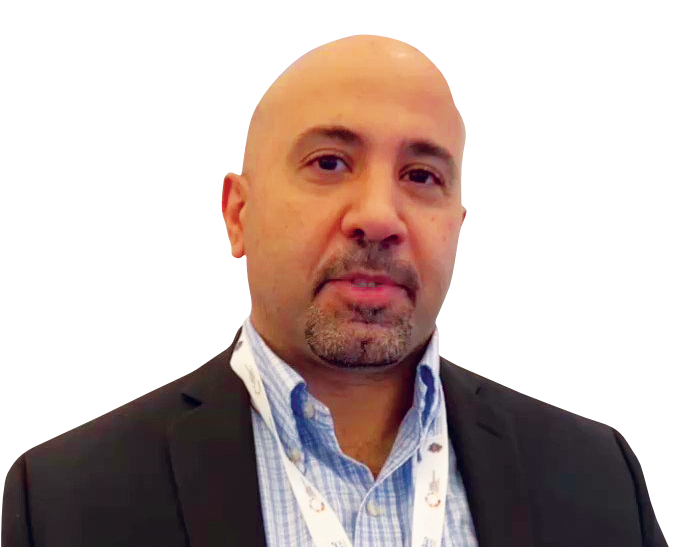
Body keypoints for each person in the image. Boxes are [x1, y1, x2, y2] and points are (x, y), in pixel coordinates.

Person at [1, 34, 667, 547]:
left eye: (422, 176)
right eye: (329, 162)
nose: (378, 216)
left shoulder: (598, 477)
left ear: (458, 225)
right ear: (238, 214)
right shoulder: (65, 502)